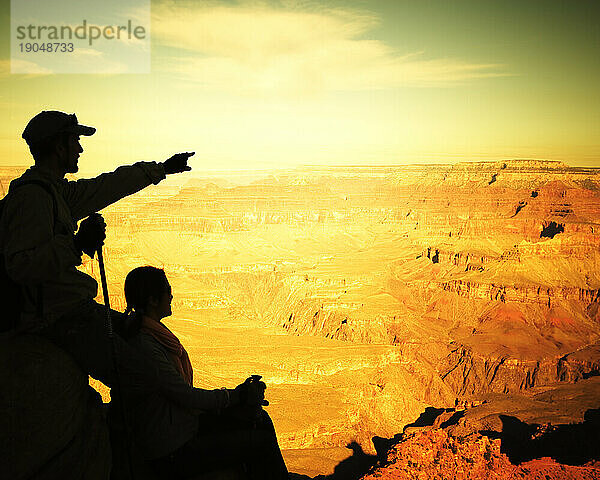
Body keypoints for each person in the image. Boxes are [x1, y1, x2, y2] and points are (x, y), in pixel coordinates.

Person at [0, 109, 194, 400]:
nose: (80, 148)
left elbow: (107, 186)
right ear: (58, 147)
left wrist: (161, 169)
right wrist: (77, 245)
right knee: (150, 378)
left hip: (72, 310)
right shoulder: (33, 198)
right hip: (59, 318)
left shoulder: (56, 193)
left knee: (145, 335)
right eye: (75, 141)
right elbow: (21, 266)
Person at [119, 266, 289, 479]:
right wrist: (235, 396)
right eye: (167, 289)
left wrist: (237, 399)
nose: (171, 295)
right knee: (260, 444)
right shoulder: (146, 346)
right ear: (153, 300)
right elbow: (185, 396)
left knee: (258, 418)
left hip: (182, 429)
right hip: (172, 450)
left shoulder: (155, 334)